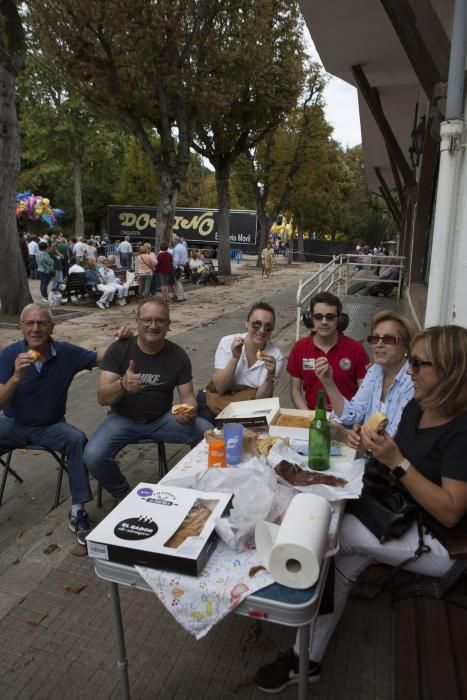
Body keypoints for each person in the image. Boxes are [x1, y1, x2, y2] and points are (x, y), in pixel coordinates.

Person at [254, 324, 467, 693]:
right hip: (400, 513)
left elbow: (450, 512)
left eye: (418, 364)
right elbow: (396, 456)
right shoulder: (421, 405)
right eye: (411, 363)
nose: (410, 371)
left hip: (440, 542)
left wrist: (397, 461)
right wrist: (372, 444)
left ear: (449, 369)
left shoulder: (462, 431)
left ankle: (290, 600)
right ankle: (307, 657)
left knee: (338, 536)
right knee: (336, 535)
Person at [0, 304, 129, 545]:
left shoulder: (66, 353)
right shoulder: (9, 356)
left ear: (52, 327)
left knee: (76, 439)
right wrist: (16, 377)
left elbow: (104, 358)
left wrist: (123, 340)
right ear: (21, 328)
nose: (35, 328)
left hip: (51, 426)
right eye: (29, 323)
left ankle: (78, 510)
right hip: (13, 424)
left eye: (41, 323)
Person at [84, 299, 213, 501]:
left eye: (160, 321)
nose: (153, 326)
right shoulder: (119, 350)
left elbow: (188, 396)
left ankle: (197, 486)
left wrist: (190, 411)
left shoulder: (178, 355)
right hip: (122, 419)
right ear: (137, 322)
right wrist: (122, 385)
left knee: (208, 434)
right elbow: (102, 397)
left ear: (169, 325)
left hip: (161, 419)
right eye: (147, 320)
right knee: (92, 455)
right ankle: (124, 495)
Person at [318, 310, 418, 446]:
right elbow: (354, 414)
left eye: (388, 339)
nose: (379, 344)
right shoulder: (375, 371)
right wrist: (328, 382)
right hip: (368, 457)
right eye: (375, 338)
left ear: (407, 345)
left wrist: (346, 436)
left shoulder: (413, 380)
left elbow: (393, 441)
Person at [197, 302, 284, 422]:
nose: (262, 330)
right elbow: (221, 387)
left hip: (248, 408)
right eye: (256, 324)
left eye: (268, 327)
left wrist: (270, 374)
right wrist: (235, 358)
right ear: (247, 323)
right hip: (217, 401)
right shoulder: (228, 342)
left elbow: (262, 401)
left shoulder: (275, 355)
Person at [287, 292, 369, 410]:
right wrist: (308, 418)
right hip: (312, 418)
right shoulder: (299, 348)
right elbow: (295, 391)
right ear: (311, 318)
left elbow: (364, 393)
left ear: (339, 319)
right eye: (318, 317)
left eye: (330, 317)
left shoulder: (356, 349)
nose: (324, 322)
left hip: (347, 420)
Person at [172, 235, 188, 302]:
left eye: (173, 240)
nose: (173, 241)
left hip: (178, 266)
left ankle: (180, 296)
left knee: (177, 282)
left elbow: (176, 260)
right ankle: (183, 295)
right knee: (179, 282)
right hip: (183, 266)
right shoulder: (183, 247)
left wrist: (174, 267)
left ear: (176, 241)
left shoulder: (176, 249)